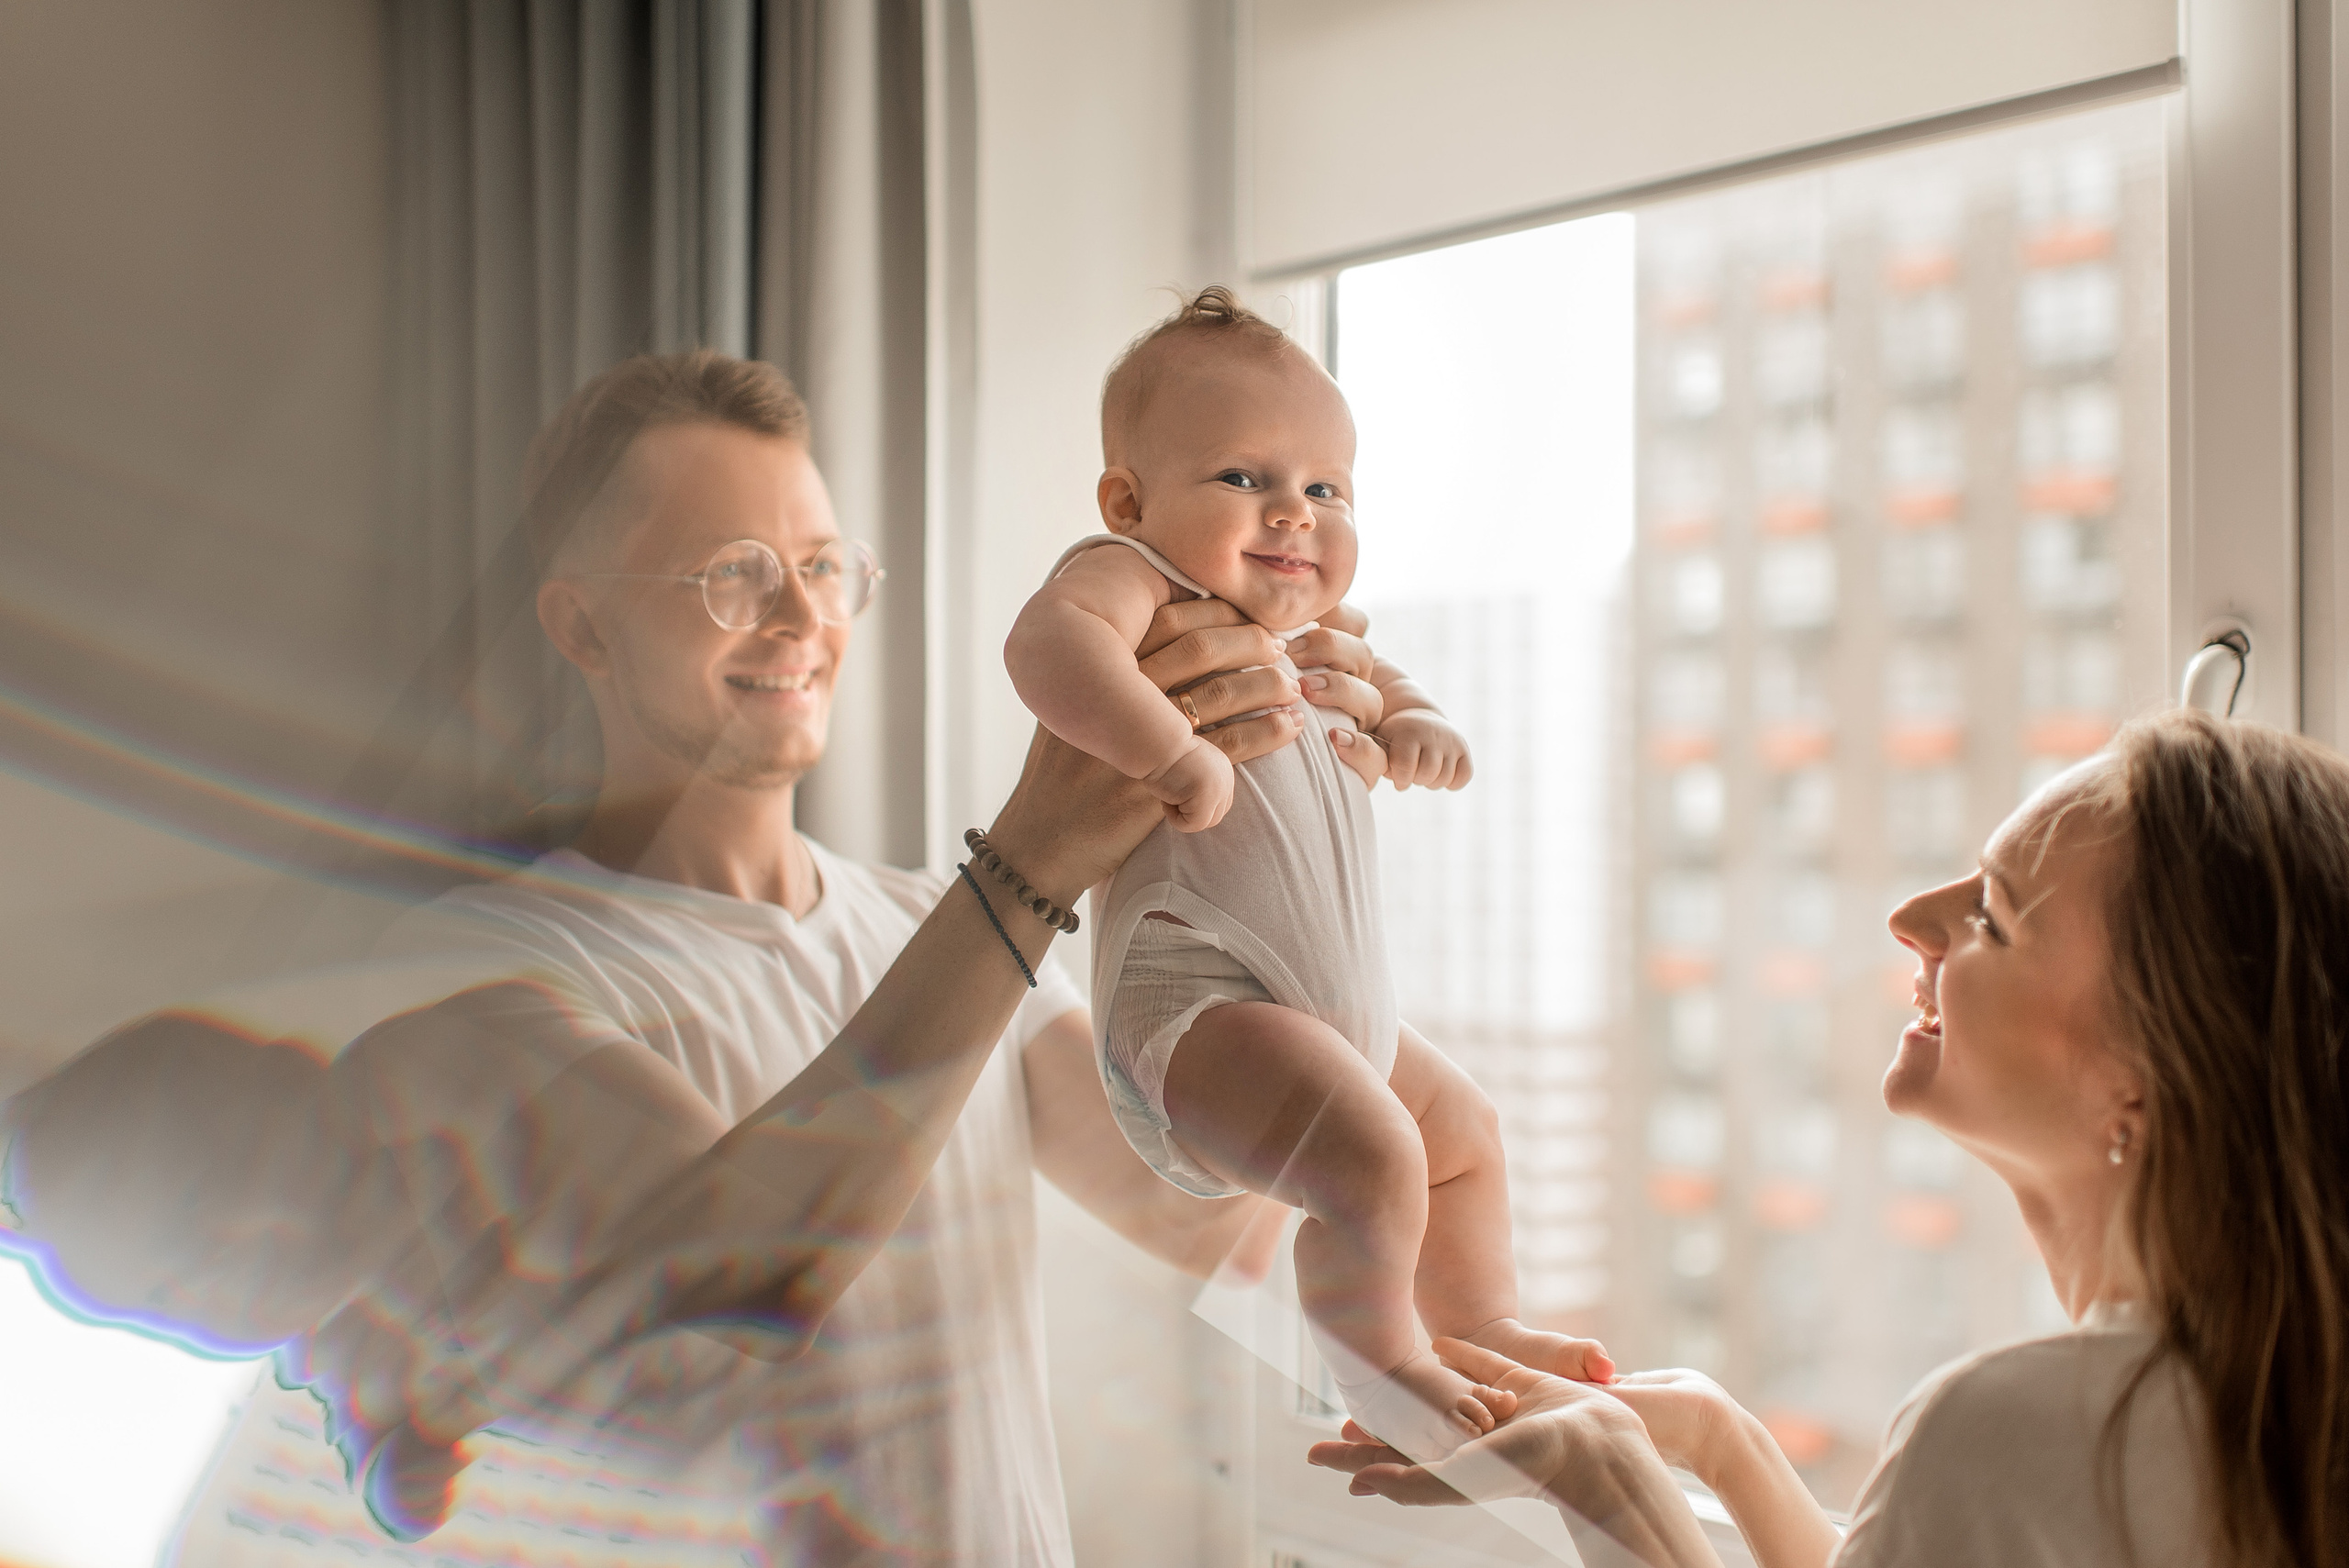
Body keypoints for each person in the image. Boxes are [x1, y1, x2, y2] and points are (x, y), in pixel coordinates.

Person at [0, 349, 1398, 1565]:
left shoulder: (930, 926)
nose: (801, 617)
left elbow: (1213, 1212)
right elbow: (748, 1266)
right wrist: (1032, 863)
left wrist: (1291, 843)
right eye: (734, 573)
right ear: (581, 624)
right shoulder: (481, 971)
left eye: (823, 566)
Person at [1309, 709, 2349, 1568]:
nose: (1911, 916)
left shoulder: (2028, 1433)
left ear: (2147, 1075)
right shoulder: (2271, 1408)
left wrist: (1613, 1482)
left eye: (1993, 914)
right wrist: (1725, 1444)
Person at [1006, 288, 1609, 1462]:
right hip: (1196, 1006)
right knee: (1372, 1157)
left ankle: (1477, 1321)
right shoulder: (1136, 579)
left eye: (1327, 488)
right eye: (1244, 477)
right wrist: (1162, 748)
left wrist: (1417, 724)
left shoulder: (1321, 639)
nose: (1294, 511)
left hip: (1331, 1016)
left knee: (1462, 1132)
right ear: (1129, 501)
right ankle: (1380, 1366)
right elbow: (1047, 643)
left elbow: (1391, 690)